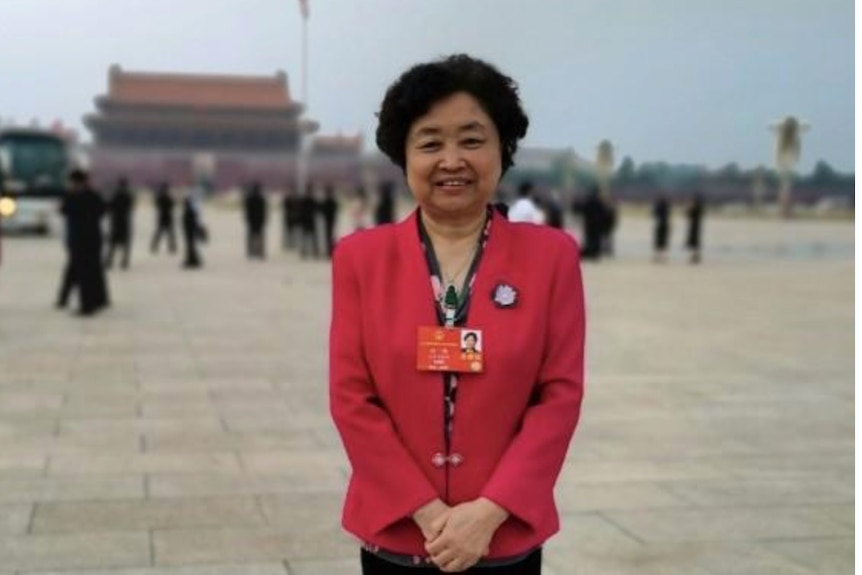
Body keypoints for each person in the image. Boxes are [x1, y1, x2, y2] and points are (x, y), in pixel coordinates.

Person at [330, 54, 585, 575]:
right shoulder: (361, 259)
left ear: (503, 149)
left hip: (504, 537)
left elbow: (558, 396)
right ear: (404, 156)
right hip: (396, 534)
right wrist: (427, 513)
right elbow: (352, 399)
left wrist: (488, 514)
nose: (452, 160)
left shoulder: (551, 257)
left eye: (471, 140)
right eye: (430, 143)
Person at [57, 169, 110, 316]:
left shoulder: (71, 196)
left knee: (83, 274)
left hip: (79, 241)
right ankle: (99, 299)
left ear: (73, 182)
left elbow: (62, 211)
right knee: (93, 271)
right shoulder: (94, 195)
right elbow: (103, 211)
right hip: (94, 239)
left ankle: (87, 306)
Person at [104, 177, 135, 269]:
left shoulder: (115, 195)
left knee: (112, 243)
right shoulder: (129, 195)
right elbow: (130, 207)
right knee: (125, 243)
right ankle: (124, 261)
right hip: (125, 221)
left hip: (116, 221)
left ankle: (109, 261)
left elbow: (109, 207)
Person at [243, 181, 268, 259]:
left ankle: (251, 253)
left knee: (251, 237)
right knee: (259, 237)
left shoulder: (249, 198)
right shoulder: (261, 198)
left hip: (252, 220)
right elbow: (264, 211)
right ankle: (260, 252)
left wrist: (247, 219)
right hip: (259, 220)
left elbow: (247, 211)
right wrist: (264, 220)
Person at [181, 189, 205, 268]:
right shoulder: (194, 205)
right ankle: (193, 260)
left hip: (190, 226)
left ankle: (192, 260)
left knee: (190, 244)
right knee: (191, 244)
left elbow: (195, 216)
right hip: (190, 226)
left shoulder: (192, 205)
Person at [151, 183, 177, 254]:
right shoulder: (168, 197)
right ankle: (172, 247)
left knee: (159, 232)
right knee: (170, 233)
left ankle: (154, 246)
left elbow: (156, 205)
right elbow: (172, 205)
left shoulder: (159, 197)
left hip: (161, 216)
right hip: (168, 216)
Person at [320, 183, 339, 258]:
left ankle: (330, 250)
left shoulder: (327, 201)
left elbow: (323, 210)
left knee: (328, 236)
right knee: (330, 236)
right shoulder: (332, 201)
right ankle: (330, 250)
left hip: (328, 220)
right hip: (331, 220)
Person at [684, 192, 704, 264]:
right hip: (693, 226)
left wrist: (690, 208)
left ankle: (695, 255)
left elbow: (690, 214)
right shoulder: (696, 207)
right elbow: (688, 214)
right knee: (693, 241)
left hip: (695, 226)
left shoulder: (698, 208)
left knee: (695, 241)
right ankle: (694, 255)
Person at [652, 192, 671, 263]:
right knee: (663, 242)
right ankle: (662, 256)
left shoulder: (659, 206)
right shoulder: (666, 206)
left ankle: (659, 256)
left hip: (661, 224)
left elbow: (654, 213)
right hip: (665, 224)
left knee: (659, 241)